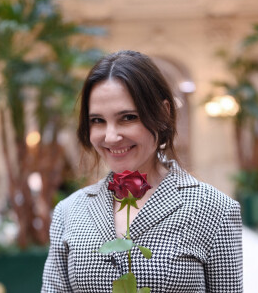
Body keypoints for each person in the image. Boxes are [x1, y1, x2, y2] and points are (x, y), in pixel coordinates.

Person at [42, 50, 243, 292]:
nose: (111, 136)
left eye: (127, 117)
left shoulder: (215, 210)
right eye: (97, 120)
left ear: (163, 113)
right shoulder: (69, 211)